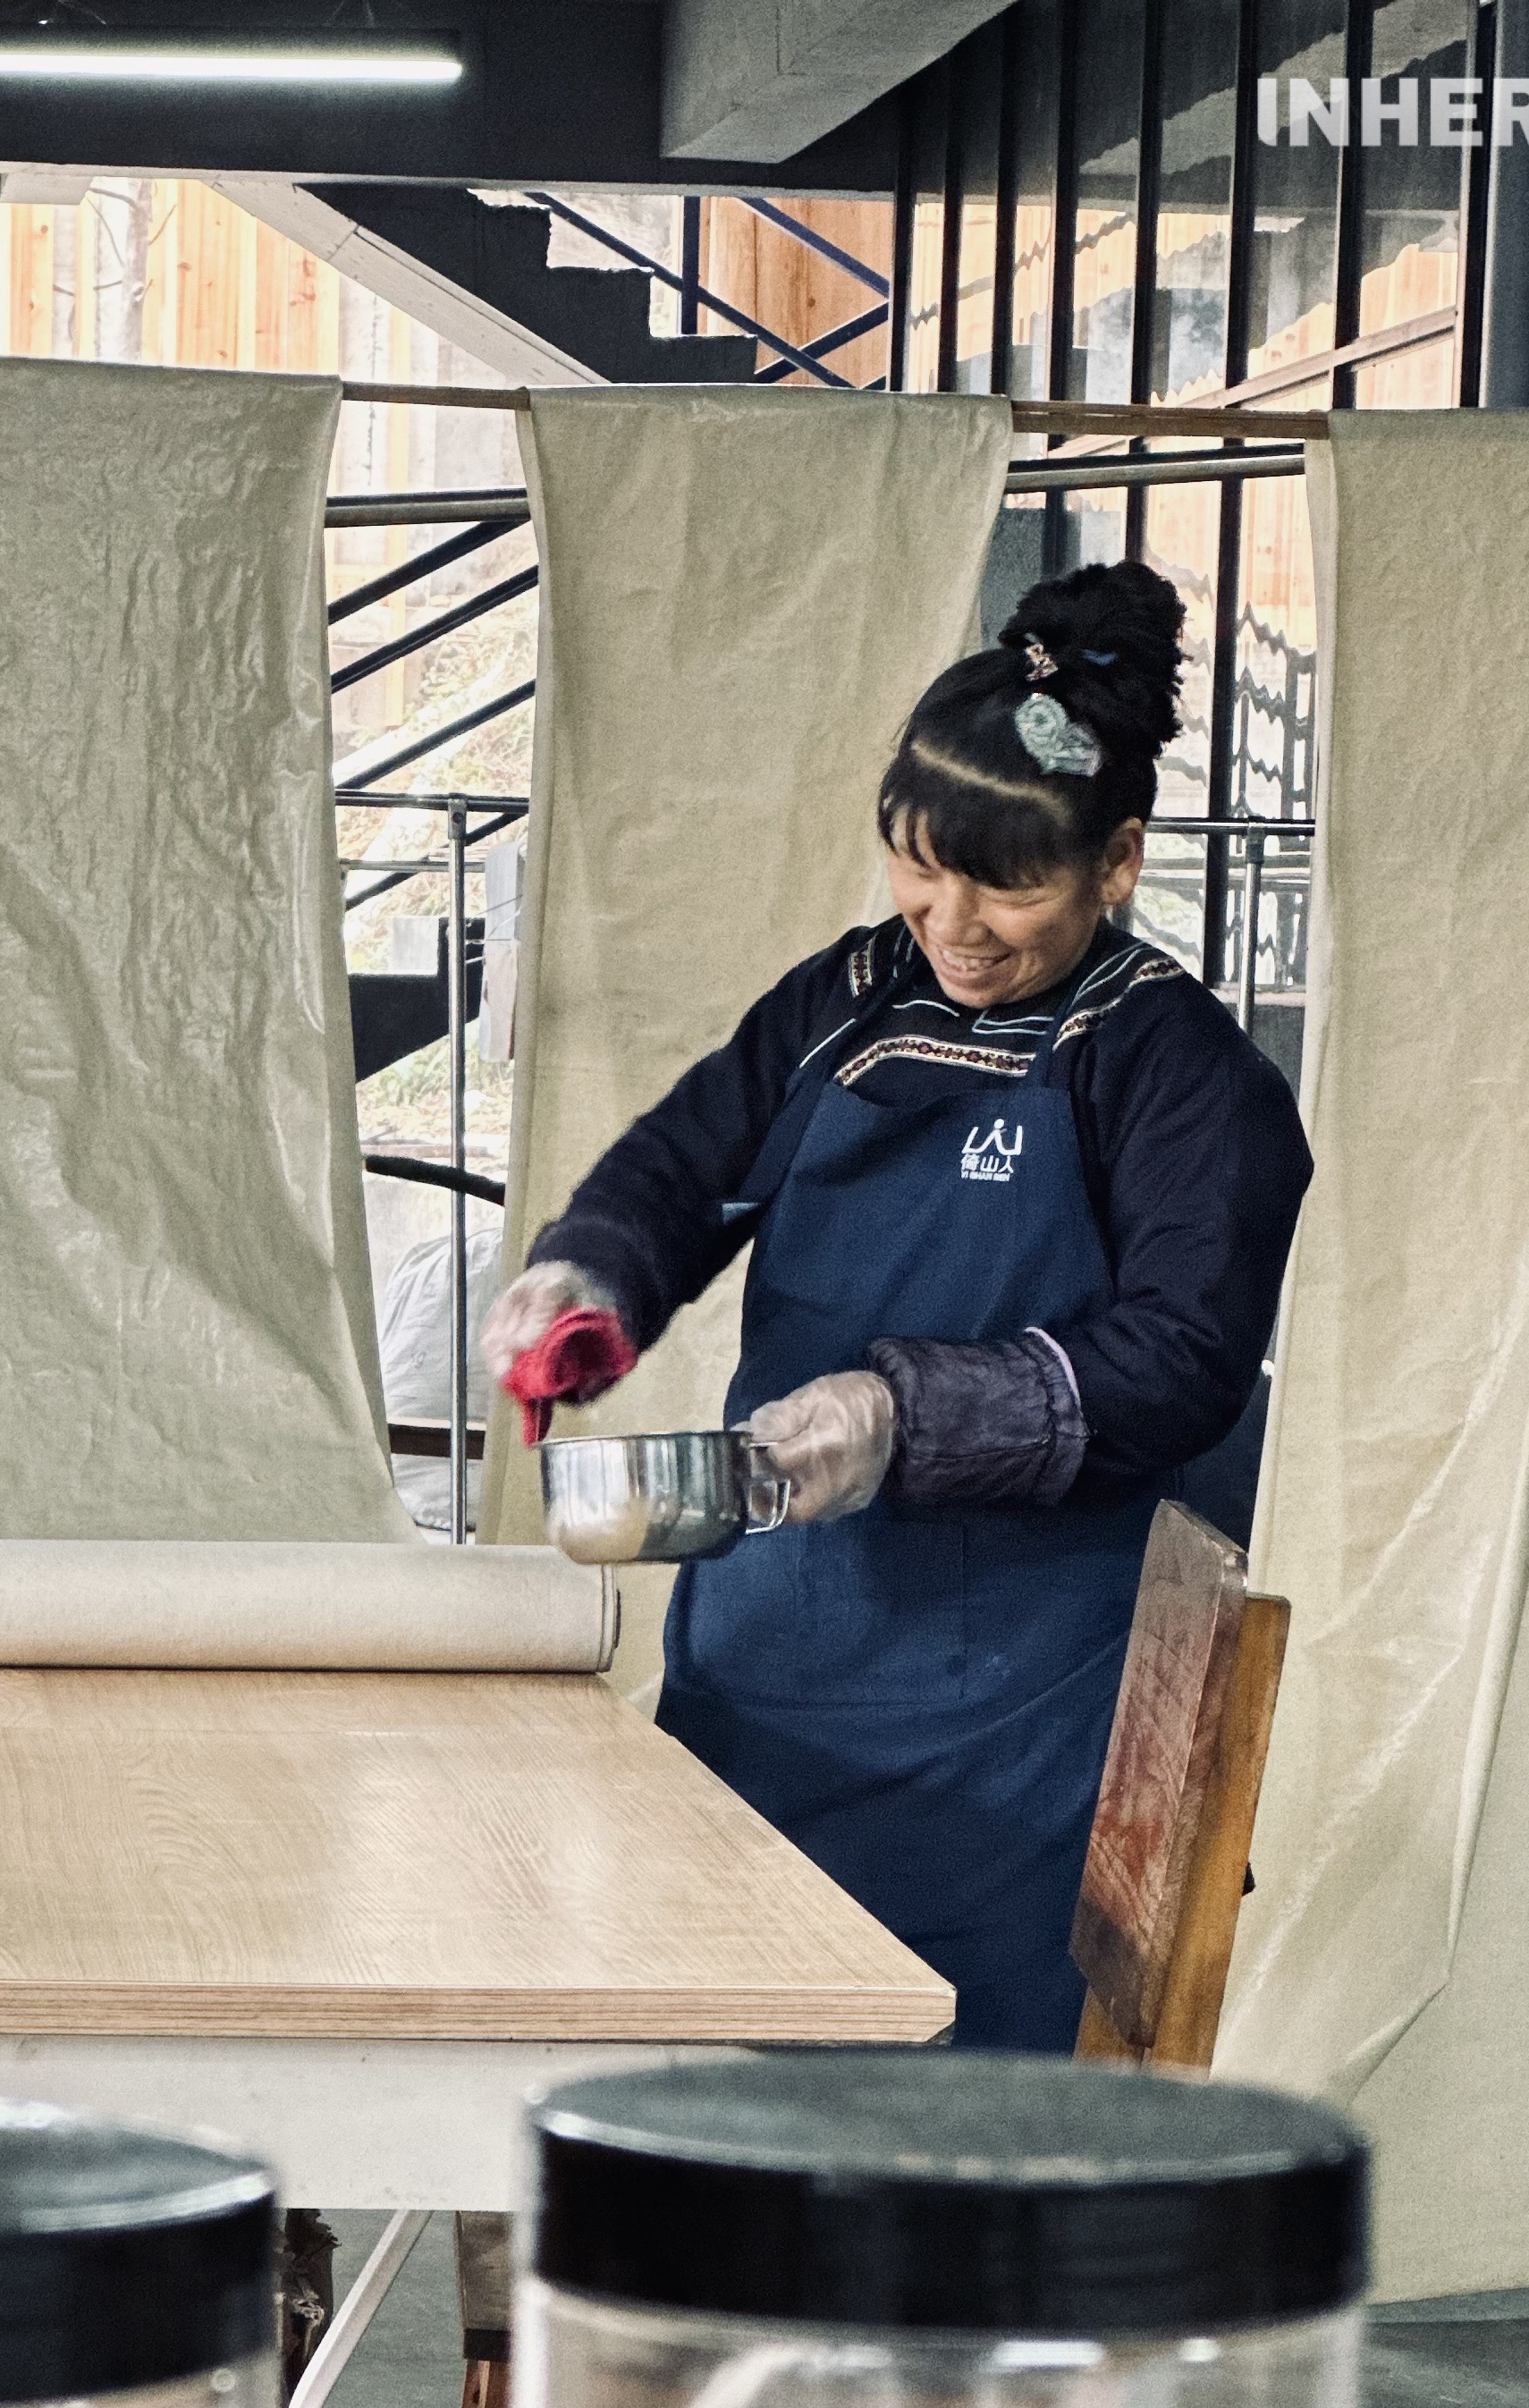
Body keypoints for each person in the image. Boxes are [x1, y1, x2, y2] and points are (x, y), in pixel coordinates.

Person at [482, 558, 1313, 2050]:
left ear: (1117, 863)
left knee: (948, 2134)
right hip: (776, 1657)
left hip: (1021, 1712)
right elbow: (686, 1168)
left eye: (1014, 882)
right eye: (922, 869)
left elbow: (1184, 1364)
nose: (958, 921)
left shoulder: (1182, 1073)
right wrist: (586, 1277)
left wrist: (897, 1413)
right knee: (719, 2086)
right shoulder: (852, 997)